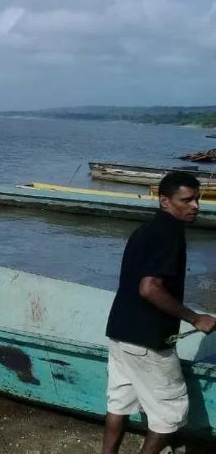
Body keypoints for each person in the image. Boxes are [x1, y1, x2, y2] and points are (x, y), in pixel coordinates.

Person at [102, 172, 216, 454]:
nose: (195, 206)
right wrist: (195, 317)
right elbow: (149, 288)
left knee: (119, 404)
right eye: (187, 200)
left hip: (120, 333)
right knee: (170, 416)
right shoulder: (170, 233)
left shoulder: (145, 230)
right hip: (149, 342)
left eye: (198, 199)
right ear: (165, 201)